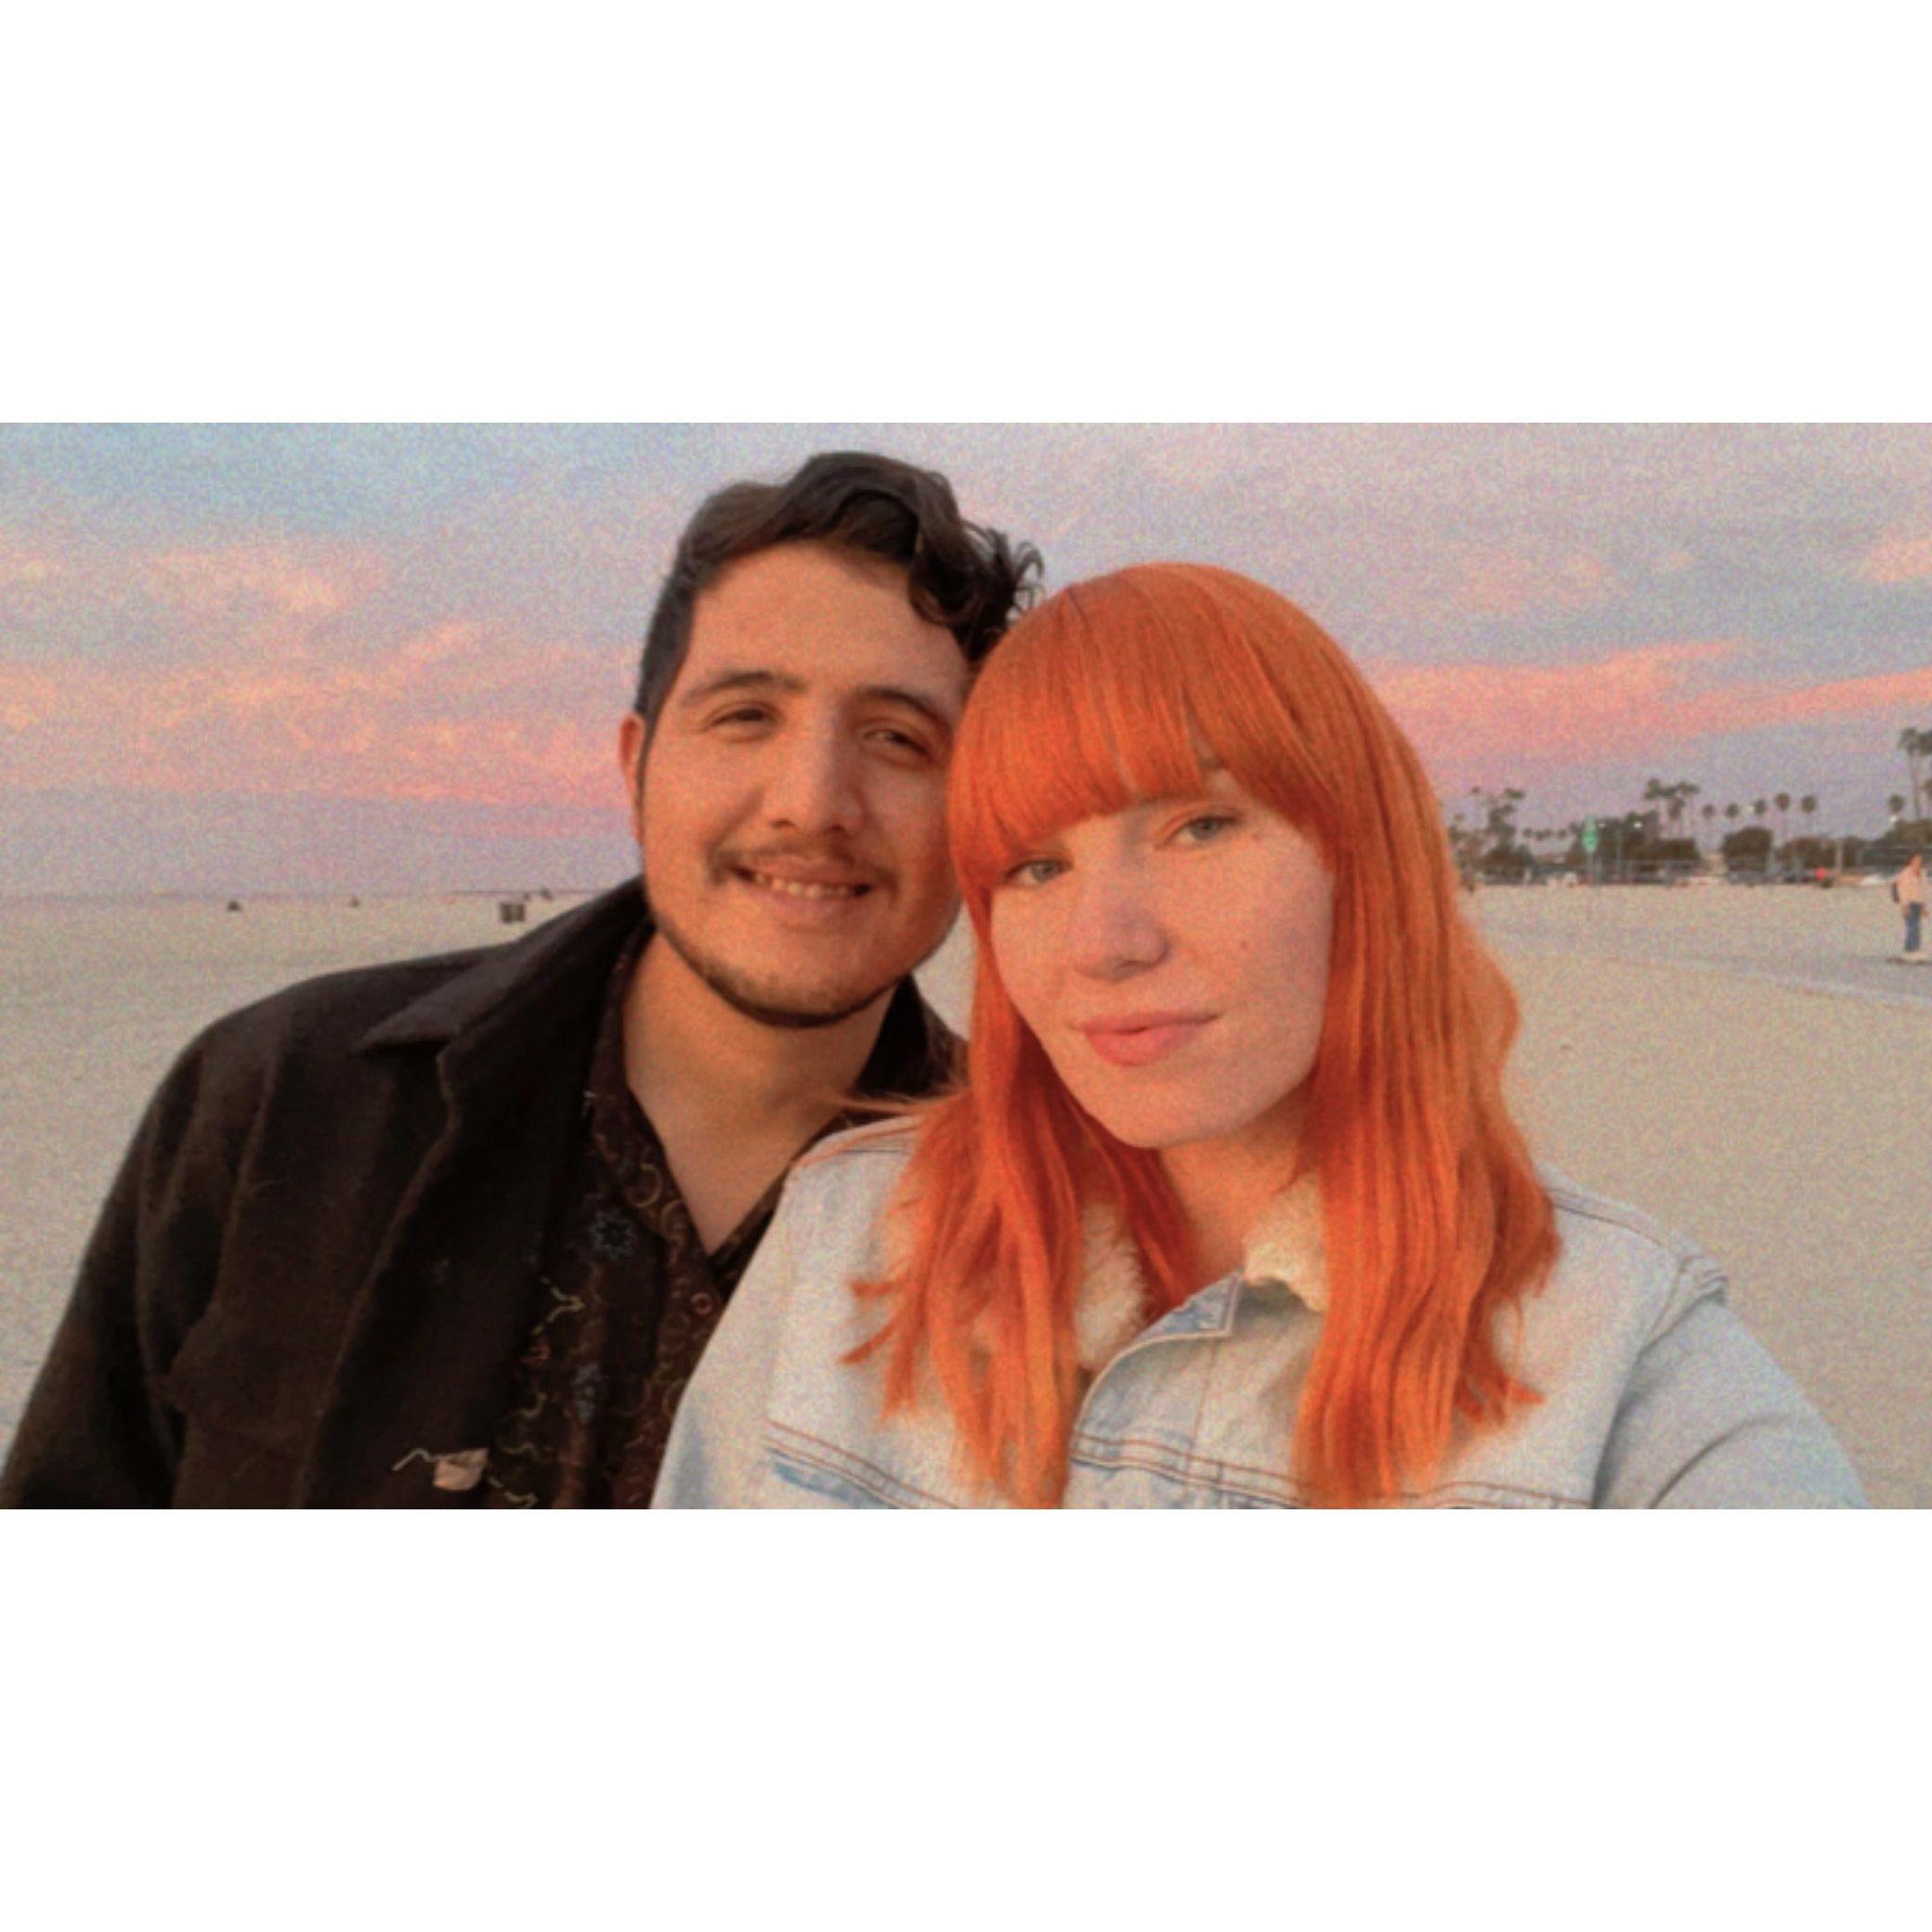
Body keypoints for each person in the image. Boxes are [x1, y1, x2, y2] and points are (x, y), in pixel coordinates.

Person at [655, 565, 1864, 1508]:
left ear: (1362, 859)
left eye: (1199, 827)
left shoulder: (1617, 1356)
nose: (1103, 945)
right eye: (1034, 866)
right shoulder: (848, 1244)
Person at [1, 452, 1041, 1507]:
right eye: (746, 716)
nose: (813, 802)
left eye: (897, 739)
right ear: (635, 767)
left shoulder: (1047, 1218)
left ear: (978, 811)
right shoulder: (287, 1098)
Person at [1891, 852, 1927, 962]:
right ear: (1911, 861)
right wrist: (1905, 906)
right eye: (1916, 860)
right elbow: (1903, 891)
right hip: (1909, 904)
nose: (1918, 862)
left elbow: (1923, 890)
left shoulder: (1922, 873)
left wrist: (1924, 906)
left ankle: (1913, 949)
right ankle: (1911, 950)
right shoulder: (1906, 874)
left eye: (1920, 860)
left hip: (1918, 903)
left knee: (1917, 928)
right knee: (1912, 927)